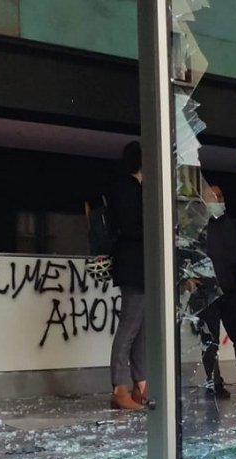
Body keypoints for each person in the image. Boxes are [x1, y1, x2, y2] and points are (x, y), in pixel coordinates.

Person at [196, 186, 236, 398]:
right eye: (211, 197)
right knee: (209, 341)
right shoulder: (196, 228)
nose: (217, 200)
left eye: (219, 196)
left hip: (233, 291)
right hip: (206, 293)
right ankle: (214, 383)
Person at [108, 141, 147, 410]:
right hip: (134, 266)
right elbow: (131, 227)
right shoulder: (127, 188)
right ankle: (119, 387)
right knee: (130, 328)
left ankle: (140, 384)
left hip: (141, 267)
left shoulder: (135, 188)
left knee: (141, 329)